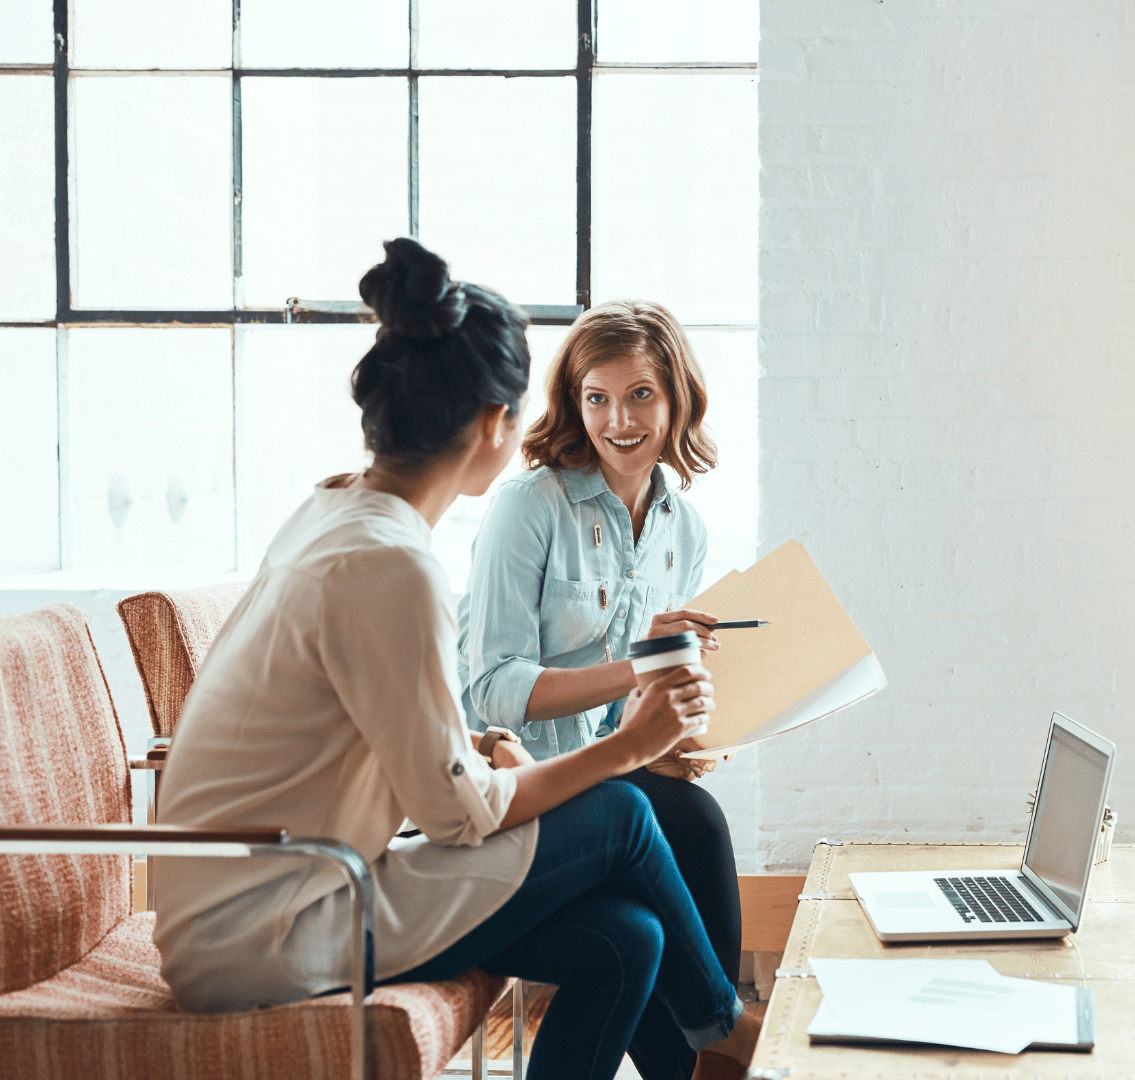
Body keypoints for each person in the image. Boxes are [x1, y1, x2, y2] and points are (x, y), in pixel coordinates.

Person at [151, 239, 756, 1080]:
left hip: (265, 899)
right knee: (624, 812)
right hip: (281, 923)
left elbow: (371, 732)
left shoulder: (337, 512)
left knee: (627, 939)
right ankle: (724, 1032)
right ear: (491, 426)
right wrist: (627, 745)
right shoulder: (393, 562)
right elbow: (455, 818)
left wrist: (476, 749)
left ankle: (712, 1032)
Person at [458, 300, 744, 1079]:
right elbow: (492, 691)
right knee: (694, 826)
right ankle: (721, 1043)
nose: (619, 420)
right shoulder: (529, 506)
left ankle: (707, 1053)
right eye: (597, 398)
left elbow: (626, 713)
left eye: (641, 395)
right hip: (515, 785)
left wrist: (678, 729)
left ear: (676, 396)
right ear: (574, 403)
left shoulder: (683, 529)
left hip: (610, 779)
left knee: (660, 870)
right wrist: (645, 667)